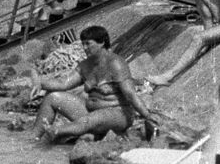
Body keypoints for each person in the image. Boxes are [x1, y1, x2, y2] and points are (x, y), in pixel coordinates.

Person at [31, 25, 159, 141]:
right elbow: (63, 83)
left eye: (88, 44)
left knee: (92, 119)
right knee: (52, 97)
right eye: (83, 44)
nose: (84, 48)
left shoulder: (116, 64)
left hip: (118, 113)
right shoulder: (85, 65)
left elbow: (130, 94)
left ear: (101, 42)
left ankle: (58, 131)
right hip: (89, 113)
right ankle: (32, 139)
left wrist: (147, 115)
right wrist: (39, 82)